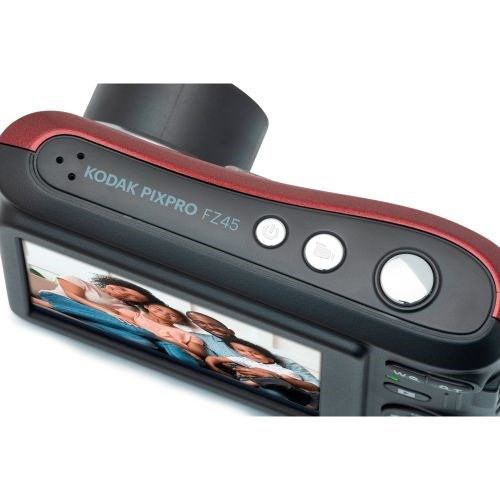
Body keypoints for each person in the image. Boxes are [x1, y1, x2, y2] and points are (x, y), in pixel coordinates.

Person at [186, 311, 320, 389]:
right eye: (201, 324)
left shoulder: (280, 361)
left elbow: (315, 386)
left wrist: (272, 375)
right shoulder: (201, 339)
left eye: (213, 324)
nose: (209, 327)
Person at [37, 274, 158, 317]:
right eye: (124, 289)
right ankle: (42, 303)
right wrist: (106, 310)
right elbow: (74, 297)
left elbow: (120, 317)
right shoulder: (77, 280)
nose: (125, 294)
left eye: (135, 298)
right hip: (56, 300)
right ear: (113, 285)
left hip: (86, 316)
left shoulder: (129, 308)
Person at [116, 302, 206, 360]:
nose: (164, 314)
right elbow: (110, 313)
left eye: (173, 315)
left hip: (173, 352)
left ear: (180, 321)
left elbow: (200, 353)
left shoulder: (187, 335)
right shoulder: (136, 316)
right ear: (147, 306)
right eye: (158, 309)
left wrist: (165, 340)